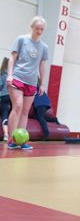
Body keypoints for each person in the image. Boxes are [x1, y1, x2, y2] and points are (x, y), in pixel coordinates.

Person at [7, 16, 48, 150]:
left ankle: (21, 140)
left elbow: (42, 65)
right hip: (18, 78)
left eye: (42, 29)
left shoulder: (43, 47)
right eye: (37, 28)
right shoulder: (21, 40)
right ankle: (12, 139)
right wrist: (10, 75)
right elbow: (12, 58)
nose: (39, 31)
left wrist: (42, 83)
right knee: (17, 106)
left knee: (25, 112)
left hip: (31, 82)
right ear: (32, 27)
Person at [0, 57, 12, 142]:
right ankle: (6, 135)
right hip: (10, 97)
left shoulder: (2, 74)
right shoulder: (11, 75)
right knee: (5, 115)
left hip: (2, 96)